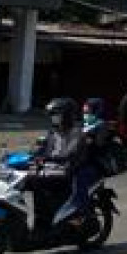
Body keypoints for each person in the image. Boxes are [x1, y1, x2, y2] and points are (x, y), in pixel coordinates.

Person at [33, 97, 97, 227]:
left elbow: (70, 153)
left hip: (72, 170)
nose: (53, 119)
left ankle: (76, 215)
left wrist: (48, 158)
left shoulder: (76, 132)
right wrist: (33, 155)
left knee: (73, 184)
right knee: (33, 181)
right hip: (56, 169)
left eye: (56, 116)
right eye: (52, 116)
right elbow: (44, 148)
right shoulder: (54, 132)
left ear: (66, 115)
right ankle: (42, 220)